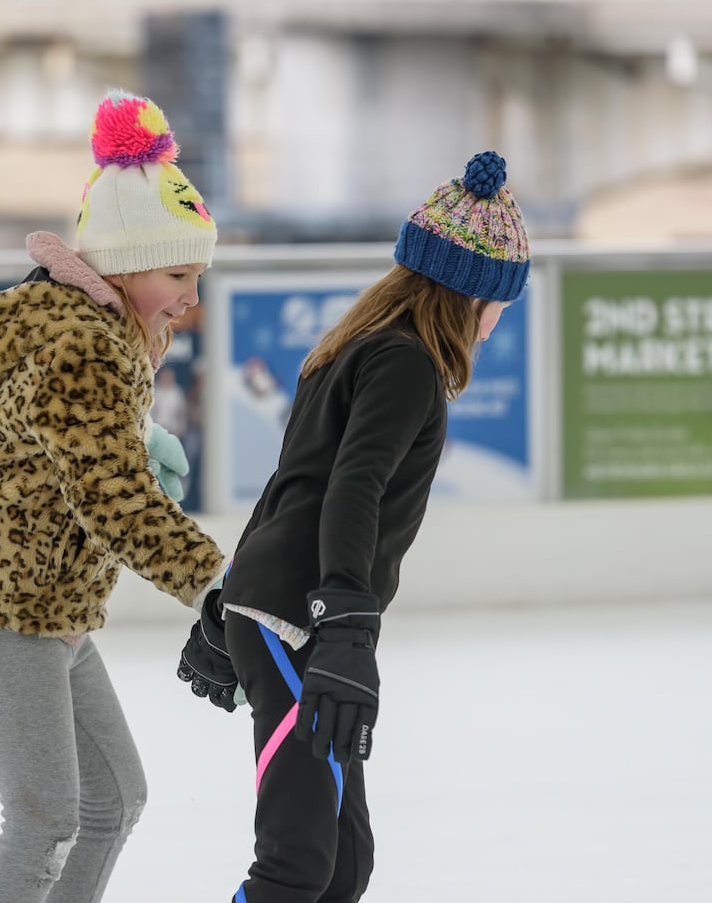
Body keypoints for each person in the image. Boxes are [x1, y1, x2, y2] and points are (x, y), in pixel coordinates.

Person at [177, 150, 531, 903]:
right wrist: (342, 620)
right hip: (298, 620)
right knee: (298, 864)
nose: (497, 322)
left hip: (281, 610)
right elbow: (352, 488)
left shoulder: (350, 349)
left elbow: (290, 487)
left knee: (342, 866)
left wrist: (228, 600)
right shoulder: (406, 365)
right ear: (472, 294)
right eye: (501, 302)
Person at [0, 90, 231, 903]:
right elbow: (113, 500)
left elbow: (81, 449)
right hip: (1, 602)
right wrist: (212, 582)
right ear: (125, 267)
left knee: (113, 801)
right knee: (44, 819)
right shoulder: (85, 345)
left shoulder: (113, 334)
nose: (192, 297)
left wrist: (139, 439)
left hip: (49, 603)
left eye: (198, 275)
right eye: (178, 274)